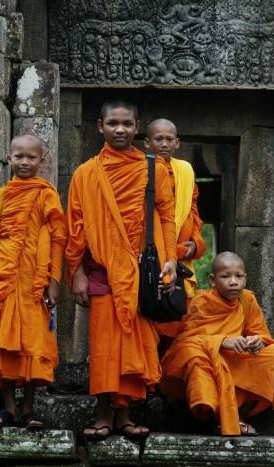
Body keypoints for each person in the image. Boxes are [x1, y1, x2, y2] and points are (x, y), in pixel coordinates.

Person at [65, 100, 179, 440]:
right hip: (100, 270)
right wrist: (76, 273)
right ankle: (103, 414)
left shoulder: (152, 169)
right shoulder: (86, 173)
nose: (120, 129)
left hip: (141, 273)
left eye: (127, 123)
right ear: (99, 126)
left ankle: (125, 415)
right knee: (103, 347)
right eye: (113, 123)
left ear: (137, 127)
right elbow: (76, 226)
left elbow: (168, 217)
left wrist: (170, 259)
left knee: (134, 342)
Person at [0, 134, 67, 430]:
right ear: (8, 158)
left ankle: (29, 407)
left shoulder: (46, 194)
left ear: (41, 161)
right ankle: (9, 407)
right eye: (19, 156)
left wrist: (54, 280)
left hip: (34, 283)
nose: (25, 162)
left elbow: (59, 238)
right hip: (2, 281)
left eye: (31, 157)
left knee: (34, 343)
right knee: (3, 344)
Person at [160, 252, 274, 436]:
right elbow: (186, 341)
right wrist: (222, 342)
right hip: (210, 361)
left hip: (234, 361)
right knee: (192, 356)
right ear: (213, 280)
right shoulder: (201, 302)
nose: (233, 282)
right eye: (225, 276)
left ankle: (234, 413)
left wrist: (256, 341)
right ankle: (222, 416)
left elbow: (259, 333)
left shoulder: (247, 299)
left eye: (238, 276)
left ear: (245, 278)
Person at [144, 119, 206, 341]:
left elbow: (193, 214)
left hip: (179, 260)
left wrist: (195, 243)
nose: (164, 144)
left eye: (169, 139)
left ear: (177, 143)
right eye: (158, 139)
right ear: (147, 142)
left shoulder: (186, 171)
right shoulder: (140, 170)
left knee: (176, 323)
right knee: (148, 321)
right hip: (150, 256)